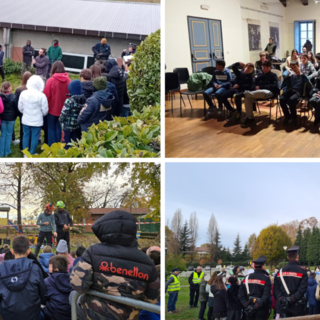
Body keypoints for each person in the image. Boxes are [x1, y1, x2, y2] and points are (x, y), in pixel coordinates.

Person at [70, 210, 160, 320]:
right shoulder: (147, 262)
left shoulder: (93, 251)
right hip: (129, 316)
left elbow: (77, 284)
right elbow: (153, 300)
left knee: (73, 297)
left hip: (93, 315)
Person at [0, 235, 46, 320]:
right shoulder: (35, 268)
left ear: (12, 251)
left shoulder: (2, 268)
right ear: (28, 251)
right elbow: (43, 294)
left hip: (7, 315)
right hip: (32, 315)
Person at [240, 60, 279, 128]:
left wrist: (261, 87)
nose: (262, 69)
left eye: (264, 67)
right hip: (256, 93)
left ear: (269, 68)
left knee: (260, 92)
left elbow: (274, 86)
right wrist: (255, 87)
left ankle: (244, 93)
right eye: (262, 67)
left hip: (269, 92)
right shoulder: (259, 75)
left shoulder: (273, 75)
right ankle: (250, 118)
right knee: (248, 98)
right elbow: (253, 84)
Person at [274, 246, 308, 317]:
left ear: (287, 257)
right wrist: (292, 299)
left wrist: (281, 299)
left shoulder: (280, 272)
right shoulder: (302, 271)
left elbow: (276, 289)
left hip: (284, 306)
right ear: (297, 256)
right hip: (297, 306)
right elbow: (302, 289)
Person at [18, 75, 49, 155]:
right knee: (35, 137)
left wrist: (25, 113)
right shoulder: (42, 96)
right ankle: (31, 153)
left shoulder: (23, 93)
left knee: (26, 135)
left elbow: (20, 107)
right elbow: (45, 110)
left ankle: (25, 154)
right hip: (37, 120)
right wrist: (40, 114)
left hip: (26, 119)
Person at [43, 61, 71, 146]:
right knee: (59, 128)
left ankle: (51, 147)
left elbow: (46, 96)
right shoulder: (69, 81)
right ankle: (58, 146)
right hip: (64, 110)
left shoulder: (50, 80)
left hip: (52, 109)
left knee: (51, 128)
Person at [238, 255, 271, 320]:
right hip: (261, 310)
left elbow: (241, 295)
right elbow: (266, 297)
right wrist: (256, 307)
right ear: (263, 266)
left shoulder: (246, 278)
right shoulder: (266, 279)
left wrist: (247, 305)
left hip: (248, 309)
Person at [280, 60, 312, 126]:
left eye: (294, 67)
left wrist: (309, 93)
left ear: (298, 66)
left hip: (298, 93)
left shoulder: (303, 76)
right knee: (281, 99)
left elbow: (309, 85)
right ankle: (287, 116)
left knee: (291, 100)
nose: (293, 69)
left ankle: (294, 118)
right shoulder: (290, 75)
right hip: (290, 91)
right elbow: (284, 85)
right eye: (292, 68)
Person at [43, 255, 73, 320]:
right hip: (71, 314)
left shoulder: (47, 281)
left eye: (50, 267)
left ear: (56, 269)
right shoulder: (72, 280)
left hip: (54, 314)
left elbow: (43, 299)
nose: (48, 269)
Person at [59, 80, 86, 149]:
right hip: (77, 127)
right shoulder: (84, 100)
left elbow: (63, 114)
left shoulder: (69, 101)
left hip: (67, 127)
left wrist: (61, 121)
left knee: (66, 145)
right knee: (75, 145)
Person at [15, 71, 32, 150]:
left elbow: (16, 102)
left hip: (21, 111)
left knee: (23, 129)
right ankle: (30, 145)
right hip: (31, 111)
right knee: (31, 130)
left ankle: (22, 146)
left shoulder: (19, 89)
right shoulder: (33, 90)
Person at [0, 81, 18, 157]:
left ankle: (1, 152)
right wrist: (15, 116)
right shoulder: (14, 97)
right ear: (10, 88)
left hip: (3, 118)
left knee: (3, 134)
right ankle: (7, 151)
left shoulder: (0, 97)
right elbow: (17, 108)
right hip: (11, 119)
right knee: (9, 134)